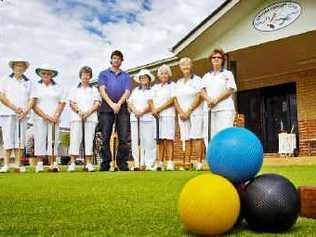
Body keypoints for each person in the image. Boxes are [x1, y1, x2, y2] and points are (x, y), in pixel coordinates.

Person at [98, 50, 131, 171]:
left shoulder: (126, 76)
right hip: (106, 108)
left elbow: (127, 91)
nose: (116, 60)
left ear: (121, 61)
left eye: (118, 58)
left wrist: (118, 104)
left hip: (121, 108)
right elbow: (102, 90)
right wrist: (112, 104)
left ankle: (122, 163)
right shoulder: (103, 74)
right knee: (106, 136)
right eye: (114, 58)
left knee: (123, 137)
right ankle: (106, 163)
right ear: (111, 60)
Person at [0, 59, 35, 173]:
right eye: (17, 66)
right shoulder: (5, 80)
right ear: (13, 67)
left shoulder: (29, 82)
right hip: (8, 113)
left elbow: (32, 99)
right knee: (8, 138)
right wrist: (15, 108)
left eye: (22, 66)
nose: (19, 68)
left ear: (25, 69)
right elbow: (2, 96)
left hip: (23, 115)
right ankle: (5, 164)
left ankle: (18, 165)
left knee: (20, 140)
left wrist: (25, 111)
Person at [32, 64, 66, 172]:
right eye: (44, 73)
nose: (46, 75)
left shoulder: (58, 87)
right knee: (40, 139)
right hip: (39, 117)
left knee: (54, 140)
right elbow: (33, 103)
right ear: (41, 74)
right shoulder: (35, 87)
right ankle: (40, 163)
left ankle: (53, 163)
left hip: (55, 117)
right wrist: (44, 116)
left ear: (52, 75)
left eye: (48, 73)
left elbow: (62, 102)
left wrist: (55, 115)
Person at [201, 48, 237, 145]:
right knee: (209, 135)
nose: (216, 59)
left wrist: (216, 100)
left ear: (222, 60)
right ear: (211, 60)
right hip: (209, 109)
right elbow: (202, 90)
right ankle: (212, 157)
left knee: (225, 133)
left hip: (225, 109)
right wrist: (208, 100)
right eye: (214, 57)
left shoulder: (228, 74)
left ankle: (226, 157)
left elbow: (230, 89)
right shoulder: (206, 76)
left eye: (219, 57)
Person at [173, 57, 204, 171]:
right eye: (183, 65)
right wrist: (181, 112)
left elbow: (199, 96)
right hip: (182, 115)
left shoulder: (197, 80)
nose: (185, 66)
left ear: (191, 66)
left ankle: (198, 162)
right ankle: (187, 162)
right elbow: (175, 98)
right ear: (180, 67)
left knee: (196, 137)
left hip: (195, 112)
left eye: (187, 64)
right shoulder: (179, 82)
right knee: (185, 138)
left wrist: (189, 110)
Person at [68, 66, 101, 172]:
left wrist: (88, 112)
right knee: (75, 139)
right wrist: (79, 112)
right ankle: (72, 163)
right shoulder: (74, 89)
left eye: (88, 74)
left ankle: (89, 163)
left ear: (90, 76)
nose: (85, 76)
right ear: (80, 76)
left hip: (90, 117)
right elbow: (71, 103)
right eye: (83, 74)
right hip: (76, 118)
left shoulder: (94, 89)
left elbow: (97, 103)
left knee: (89, 140)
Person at [127, 69, 156, 171]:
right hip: (135, 119)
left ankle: (149, 164)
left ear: (149, 79)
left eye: (145, 77)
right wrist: (135, 111)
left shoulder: (153, 90)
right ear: (139, 79)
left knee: (149, 141)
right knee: (135, 141)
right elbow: (129, 102)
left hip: (147, 118)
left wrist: (142, 112)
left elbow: (151, 104)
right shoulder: (135, 91)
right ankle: (137, 163)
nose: (143, 79)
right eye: (141, 77)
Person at [150, 64, 176, 171]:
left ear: (169, 74)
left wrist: (159, 109)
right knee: (159, 139)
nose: (164, 75)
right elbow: (150, 100)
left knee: (168, 139)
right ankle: (159, 162)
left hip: (168, 115)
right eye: (161, 73)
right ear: (158, 75)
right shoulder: (155, 87)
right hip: (157, 116)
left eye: (166, 73)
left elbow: (172, 99)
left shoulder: (173, 85)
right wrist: (154, 110)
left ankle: (170, 162)